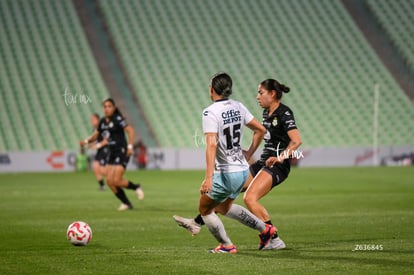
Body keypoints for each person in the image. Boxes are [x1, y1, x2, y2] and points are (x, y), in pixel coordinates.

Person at [174, 78, 302, 250]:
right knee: (223, 201)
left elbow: (296, 141)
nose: (257, 96)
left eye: (261, 92)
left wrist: (280, 157)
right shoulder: (265, 113)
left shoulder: (284, 113)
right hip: (263, 162)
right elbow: (261, 131)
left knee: (250, 197)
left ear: (272, 94)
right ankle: (196, 222)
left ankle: (275, 239)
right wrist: (249, 153)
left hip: (277, 165)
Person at [190, 72, 275, 253]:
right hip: (243, 171)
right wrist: (249, 153)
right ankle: (265, 229)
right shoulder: (238, 106)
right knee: (223, 207)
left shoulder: (210, 112)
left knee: (205, 209)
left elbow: (211, 144)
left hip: (226, 173)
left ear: (212, 89)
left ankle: (227, 245)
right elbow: (260, 130)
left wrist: (208, 177)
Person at [80, 98, 144, 211]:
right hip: (112, 153)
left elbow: (130, 131)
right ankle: (126, 203)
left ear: (114, 108)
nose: (107, 108)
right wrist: (86, 141)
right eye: (105, 106)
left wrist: (130, 146)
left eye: (109, 106)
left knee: (117, 180)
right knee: (110, 182)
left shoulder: (118, 119)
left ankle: (136, 187)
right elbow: (96, 135)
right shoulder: (103, 121)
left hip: (122, 151)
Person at [89, 113, 108, 190]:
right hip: (100, 149)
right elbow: (97, 140)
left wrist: (97, 146)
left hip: (106, 149)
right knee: (95, 167)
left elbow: (106, 140)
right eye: (91, 120)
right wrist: (91, 144)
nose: (92, 122)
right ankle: (102, 186)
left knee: (102, 170)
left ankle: (117, 178)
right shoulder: (95, 129)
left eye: (93, 120)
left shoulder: (103, 127)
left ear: (98, 120)